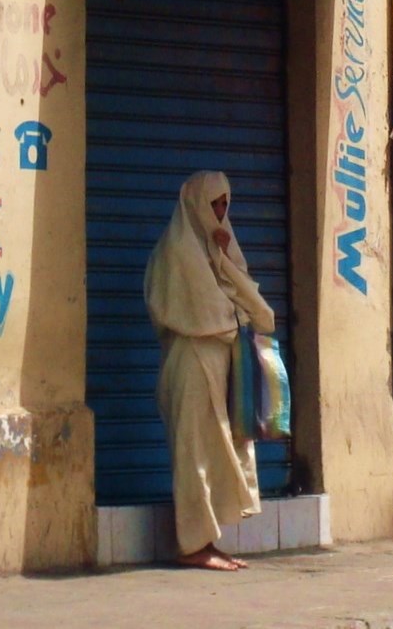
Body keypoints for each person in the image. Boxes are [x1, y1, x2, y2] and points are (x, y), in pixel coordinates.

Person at [145, 170, 276, 572]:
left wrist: (225, 257)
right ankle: (191, 545)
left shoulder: (216, 247)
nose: (220, 213)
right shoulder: (178, 250)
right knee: (194, 452)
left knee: (217, 450)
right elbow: (215, 311)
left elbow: (248, 301)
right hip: (193, 361)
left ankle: (206, 540)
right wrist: (233, 295)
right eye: (214, 204)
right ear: (196, 204)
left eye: (225, 205)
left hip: (219, 362)